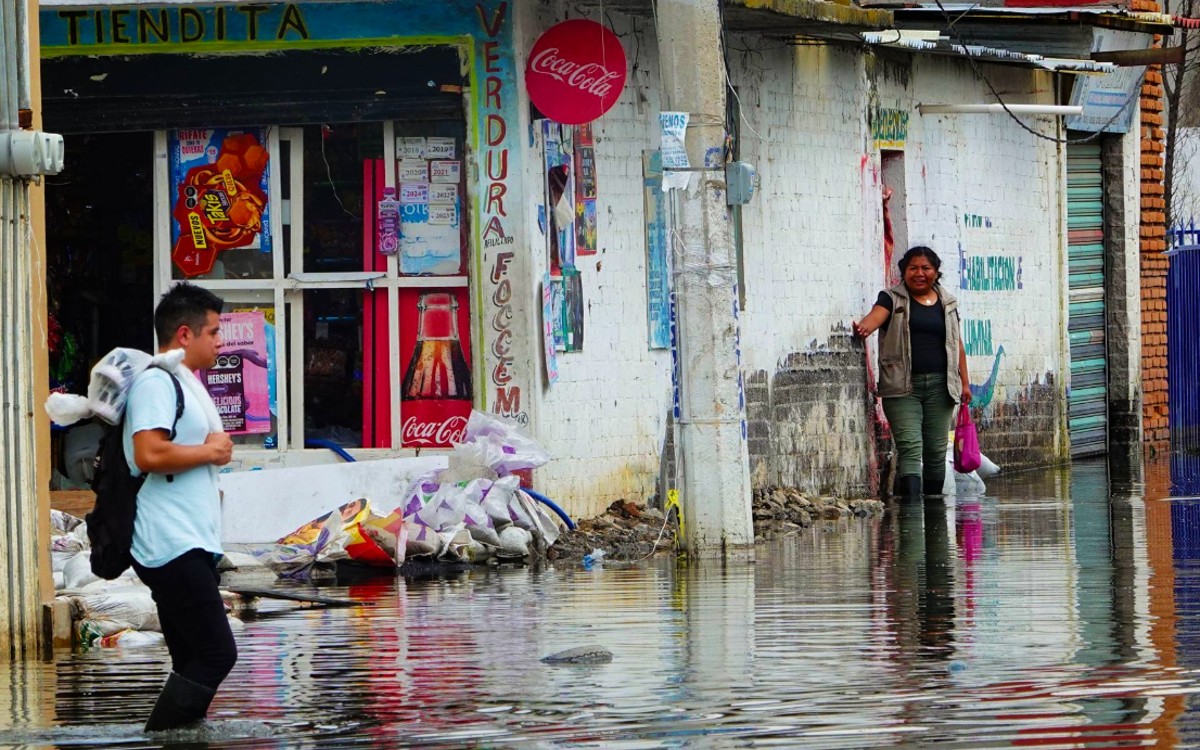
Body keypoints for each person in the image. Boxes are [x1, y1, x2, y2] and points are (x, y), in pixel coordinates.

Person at [125, 282, 236, 731]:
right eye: (213, 332)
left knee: (191, 658)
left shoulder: (187, 382)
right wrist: (211, 452)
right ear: (185, 334)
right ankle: (159, 739)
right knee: (217, 652)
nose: (220, 341)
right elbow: (148, 453)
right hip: (169, 541)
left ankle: (181, 738)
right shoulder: (157, 381)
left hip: (190, 539)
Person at [853, 246, 971, 501]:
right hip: (902, 387)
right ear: (904, 272)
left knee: (935, 452)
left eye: (925, 268)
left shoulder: (948, 302)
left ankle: (934, 511)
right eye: (913, 268)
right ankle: (911, 513)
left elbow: (957, 343)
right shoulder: (891, 298)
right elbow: (874, 318)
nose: (919, 273)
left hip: (941, 387)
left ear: (936, 272)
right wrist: (863, 328)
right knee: (910, 448)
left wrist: (965, 383)